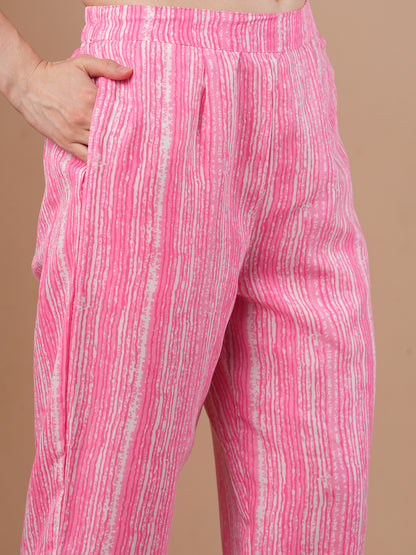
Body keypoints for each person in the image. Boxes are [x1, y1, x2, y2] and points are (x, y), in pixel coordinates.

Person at [1, 1, 377, 553]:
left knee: (318, 500)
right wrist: (20, 74)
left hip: (297, 89)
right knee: (103, 511)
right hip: (153, 89)